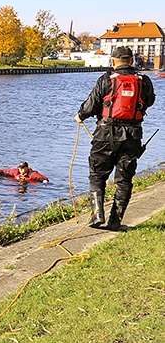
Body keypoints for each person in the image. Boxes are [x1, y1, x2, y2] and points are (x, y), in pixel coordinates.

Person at [75, 46, 156, 231]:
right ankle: (115, 222)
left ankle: (97, 215)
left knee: (97, 174)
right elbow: (150, 101)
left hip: (105, 134)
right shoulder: (144, 81)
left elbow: (91, 104)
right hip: (133, 135)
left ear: (113, 61)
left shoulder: (106, 80)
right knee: (124, 179)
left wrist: (80, 115)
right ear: (132, 60)